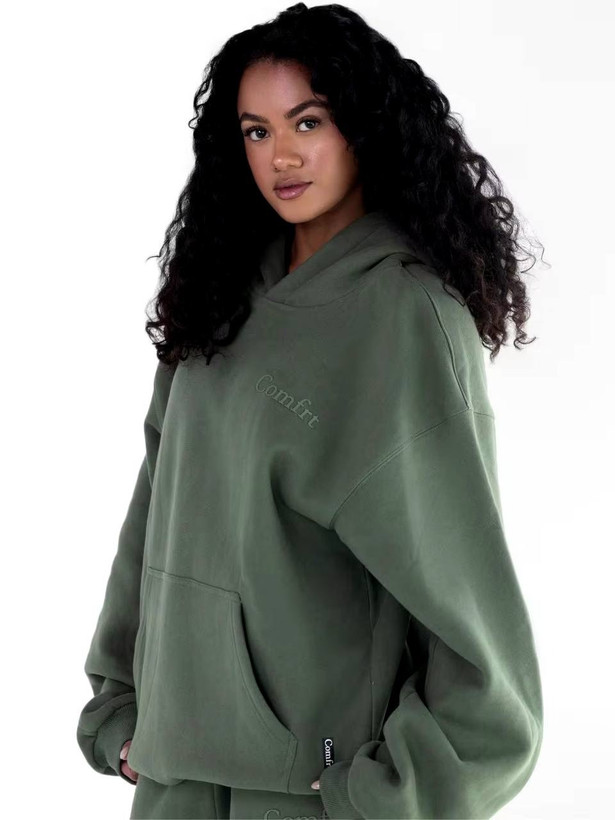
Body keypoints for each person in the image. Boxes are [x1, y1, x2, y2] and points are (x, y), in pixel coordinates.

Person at [75, 3, 545, 818]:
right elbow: (157, 508)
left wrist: (385, 795)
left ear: (364, 127)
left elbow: (476, 637)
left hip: (310, 793)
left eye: (307, 121)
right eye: (256, 131)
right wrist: (119, 699)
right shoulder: (218, 295)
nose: (281, 155)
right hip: (171, 777)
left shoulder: (403, 318)